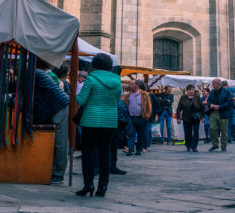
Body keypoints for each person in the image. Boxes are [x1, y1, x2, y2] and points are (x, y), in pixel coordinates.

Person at [75, 53, 122, 197]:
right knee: (105, 152)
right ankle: (103, 186)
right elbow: (117, 101)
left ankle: (88, 184)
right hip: (110, 120)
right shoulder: (117, 81)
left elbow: (81, 100)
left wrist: (73, 95)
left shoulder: (91, 79)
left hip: (91, 119)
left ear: (94, 64)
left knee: (88, 152)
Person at [33, 64, 70, 185]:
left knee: (60, 142)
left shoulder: (36, 74)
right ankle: (54, 171)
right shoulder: (38, 73)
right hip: (56, 107)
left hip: (61, 108)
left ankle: (58, 175)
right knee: (59, 142)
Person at [123, 80, 152, 156]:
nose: (130, 86)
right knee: (131, 134)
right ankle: (131, 150)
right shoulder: (128, 95)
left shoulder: (145, 95)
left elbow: (149, 107)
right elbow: (125, 105)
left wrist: (147, 117)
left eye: (131, 84)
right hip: (131, 118)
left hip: (141, 118)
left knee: (141, 135)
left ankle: (139, 150)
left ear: (137, 85)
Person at [175, 84, 204, 152]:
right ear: (187, 90)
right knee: (188, 132)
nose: (191, 91)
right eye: (190, 90)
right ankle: (188, 145)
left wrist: (202, 117)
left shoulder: (197, 97)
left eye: (192, 89)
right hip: (186, 117)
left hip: (196, 117)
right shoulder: (183, 97)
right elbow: (179, 108)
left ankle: (194, 147)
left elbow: (202, 107)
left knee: (196, 132)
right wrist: (178, 118)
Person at [207, 78, 232, 151]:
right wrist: (210, 104)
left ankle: (223, 145)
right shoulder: (212, 92)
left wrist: (219, 106)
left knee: (224, 130)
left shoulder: (226, 92)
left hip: (223, 113)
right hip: (213, 113)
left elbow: (229, 103)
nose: (212, 85)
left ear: (218, 84)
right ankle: (215, 144)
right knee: (212, 128)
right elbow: (208, 100)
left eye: (213, 84)